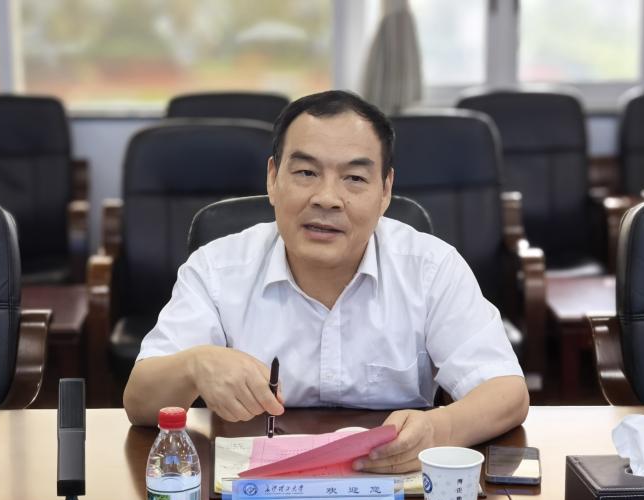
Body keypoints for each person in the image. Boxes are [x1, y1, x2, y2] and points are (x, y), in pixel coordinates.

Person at [124, 90, 529, 474]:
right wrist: (194, 366)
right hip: (257, 490)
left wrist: (440, 429)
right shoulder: (216, 268)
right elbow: (139, 401)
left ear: (385, 191)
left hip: (390, 484)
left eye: (354, 178)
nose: (327, 198)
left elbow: (507, 392)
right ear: (272, 178)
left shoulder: (431, 267)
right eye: (306, 172)